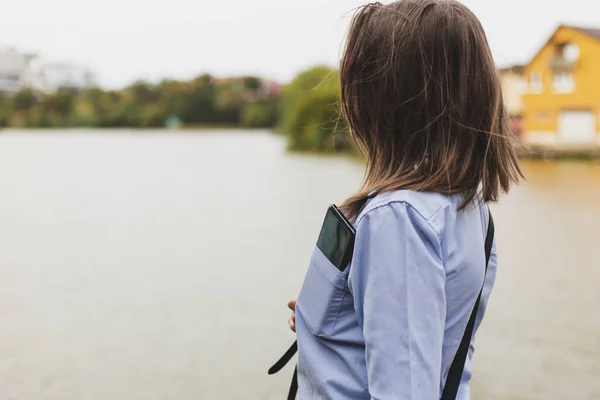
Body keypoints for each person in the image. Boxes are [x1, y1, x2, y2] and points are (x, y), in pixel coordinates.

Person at [286, 1, 522, 399]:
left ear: (386, 101)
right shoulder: (467, 203)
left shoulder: (399, 217)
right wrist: (329, 319)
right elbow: (441, 341)